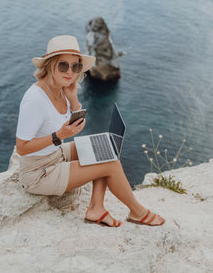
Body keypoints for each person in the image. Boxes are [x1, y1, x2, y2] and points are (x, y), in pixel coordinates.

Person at [15, 35, 164, 227]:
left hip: (55, 155)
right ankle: (138, 212)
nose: (70, 72)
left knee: (104, 148)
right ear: (50, 65)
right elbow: (22, 148)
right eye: (63, 65)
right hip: (38, 173)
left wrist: (73, 99)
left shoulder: (61, 88)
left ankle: (96, 208)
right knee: (110, 164)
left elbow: (77, 125)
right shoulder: (34, 100)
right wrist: (58, 136)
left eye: (75, 66)